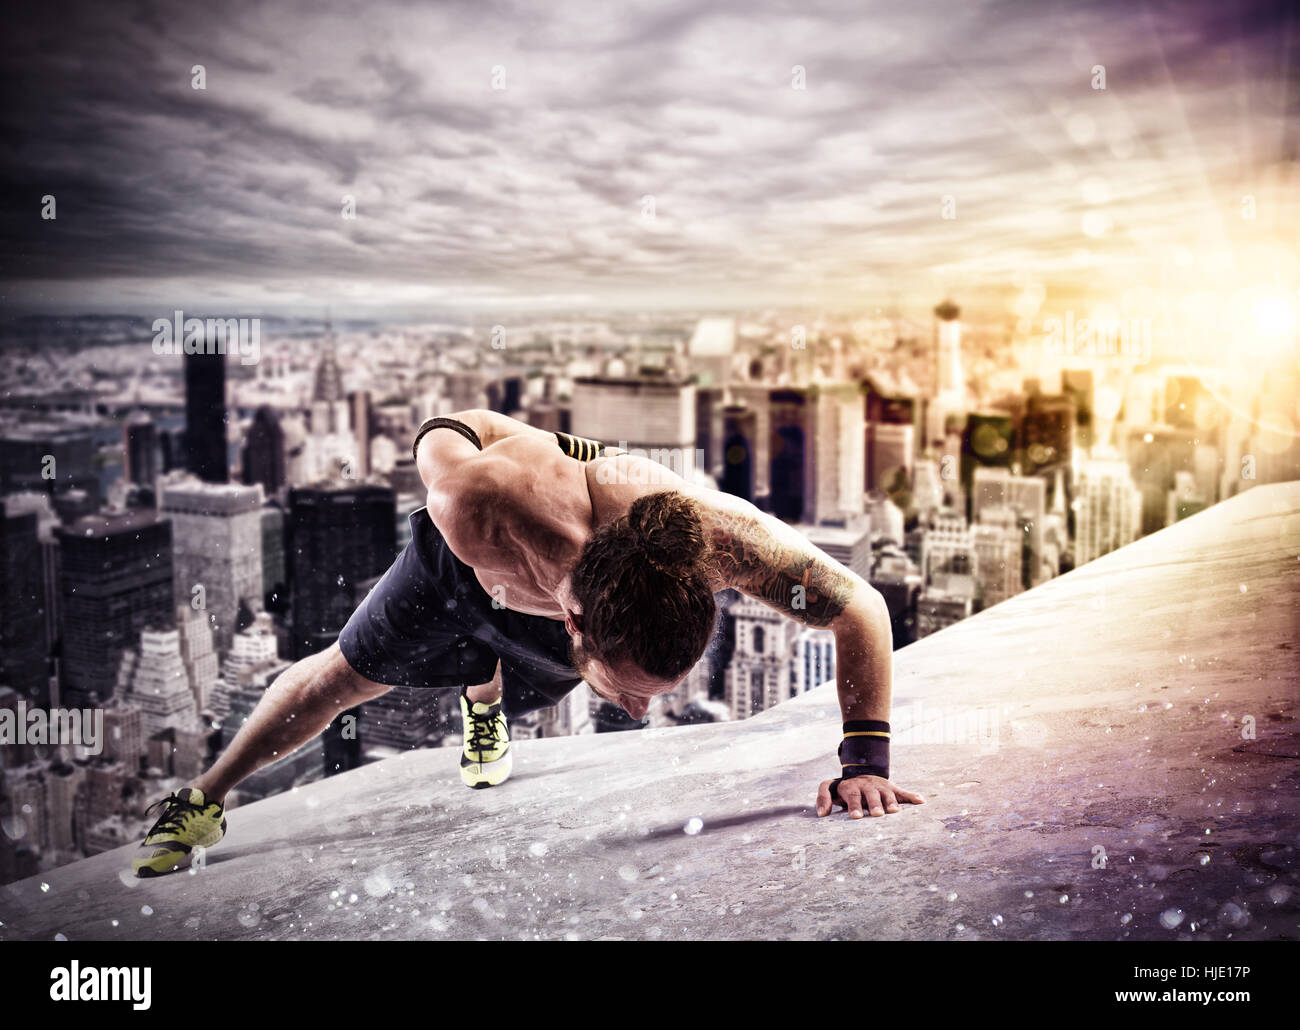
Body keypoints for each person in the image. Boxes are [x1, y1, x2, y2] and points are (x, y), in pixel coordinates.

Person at [132, 410, 923, 877]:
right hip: (461, 575)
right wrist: (519, 450)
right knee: (338, 679)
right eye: (634, 690)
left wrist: (864, 763)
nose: (644, 713)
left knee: (504, 675)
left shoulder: (729, 541)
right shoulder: (482, 503)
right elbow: (453, 430)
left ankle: (486, 705)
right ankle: (201, 799)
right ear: (577, 624)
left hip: (553, 630)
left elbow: (861, 609)